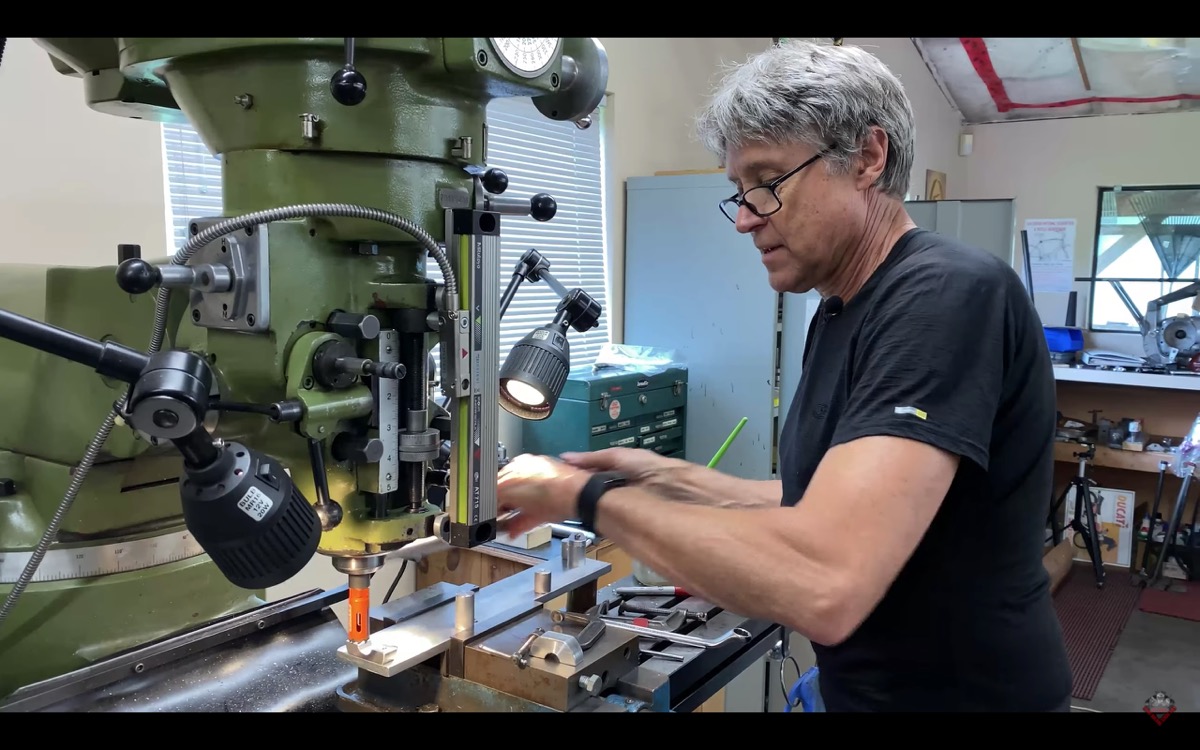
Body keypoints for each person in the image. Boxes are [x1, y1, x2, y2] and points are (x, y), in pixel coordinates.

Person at [494, 39, 1072, 712]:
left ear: (867, 158)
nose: (745, 218)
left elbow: (824, 581)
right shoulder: (839, 310)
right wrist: (668, 479)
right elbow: (820, 502)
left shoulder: (945, 295)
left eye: (766, 182)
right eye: (738, 192)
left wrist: (585, 497)